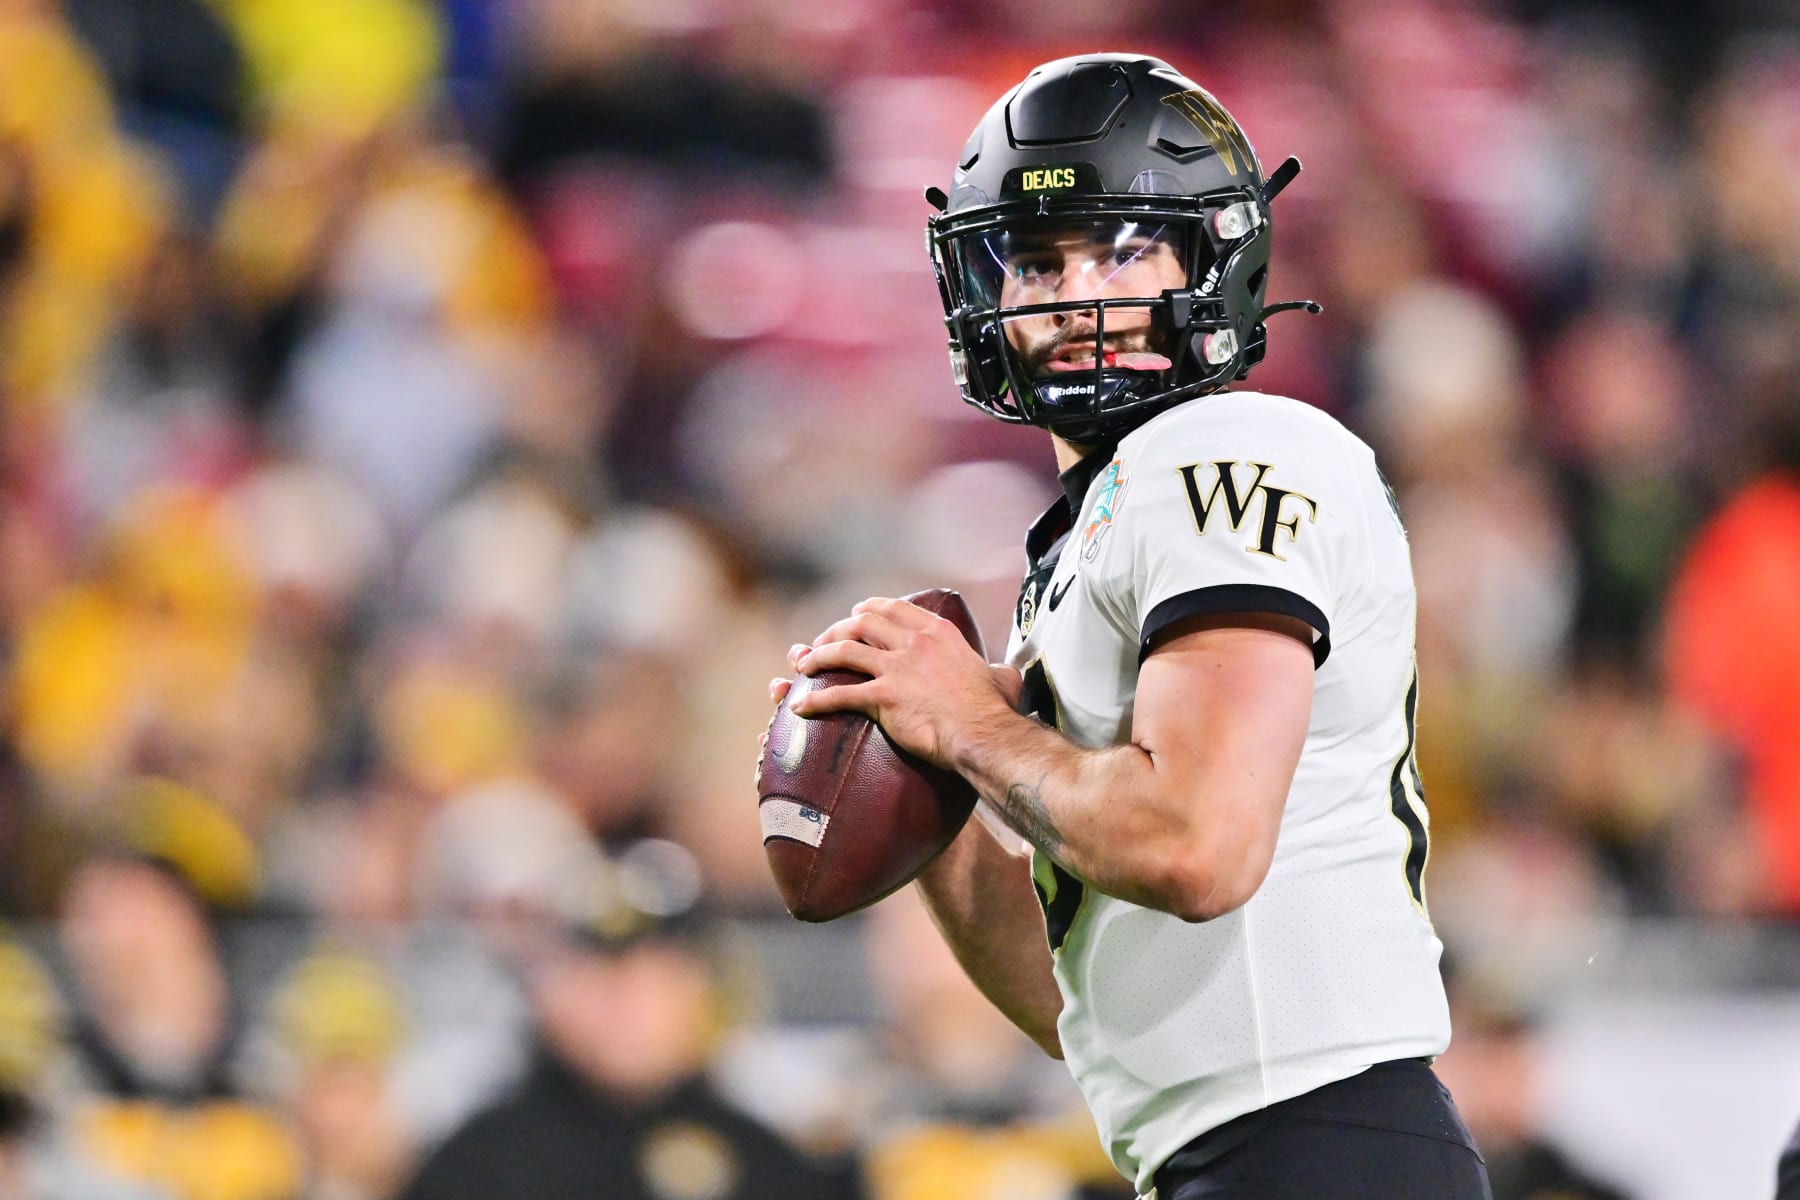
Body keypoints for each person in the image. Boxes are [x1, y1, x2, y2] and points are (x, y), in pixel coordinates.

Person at [770, 54, 1488, 1199]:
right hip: (1235, 1155)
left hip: (1316, 1147)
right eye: (1037, 260)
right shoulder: (1099, 529)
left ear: (1214, 258)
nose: (1067, 295)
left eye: (1118, 248)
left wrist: (970, 728)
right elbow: (1082, 1006)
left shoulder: (1223, 452)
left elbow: (1195, 846)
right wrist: (923, 781)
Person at [397, 839, 863, 1200]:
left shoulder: (768, 1164)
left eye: (651, 973)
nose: (622, 1002)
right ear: (544, 991)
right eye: (595, 970)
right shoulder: (480, 1163)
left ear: (701, 988)